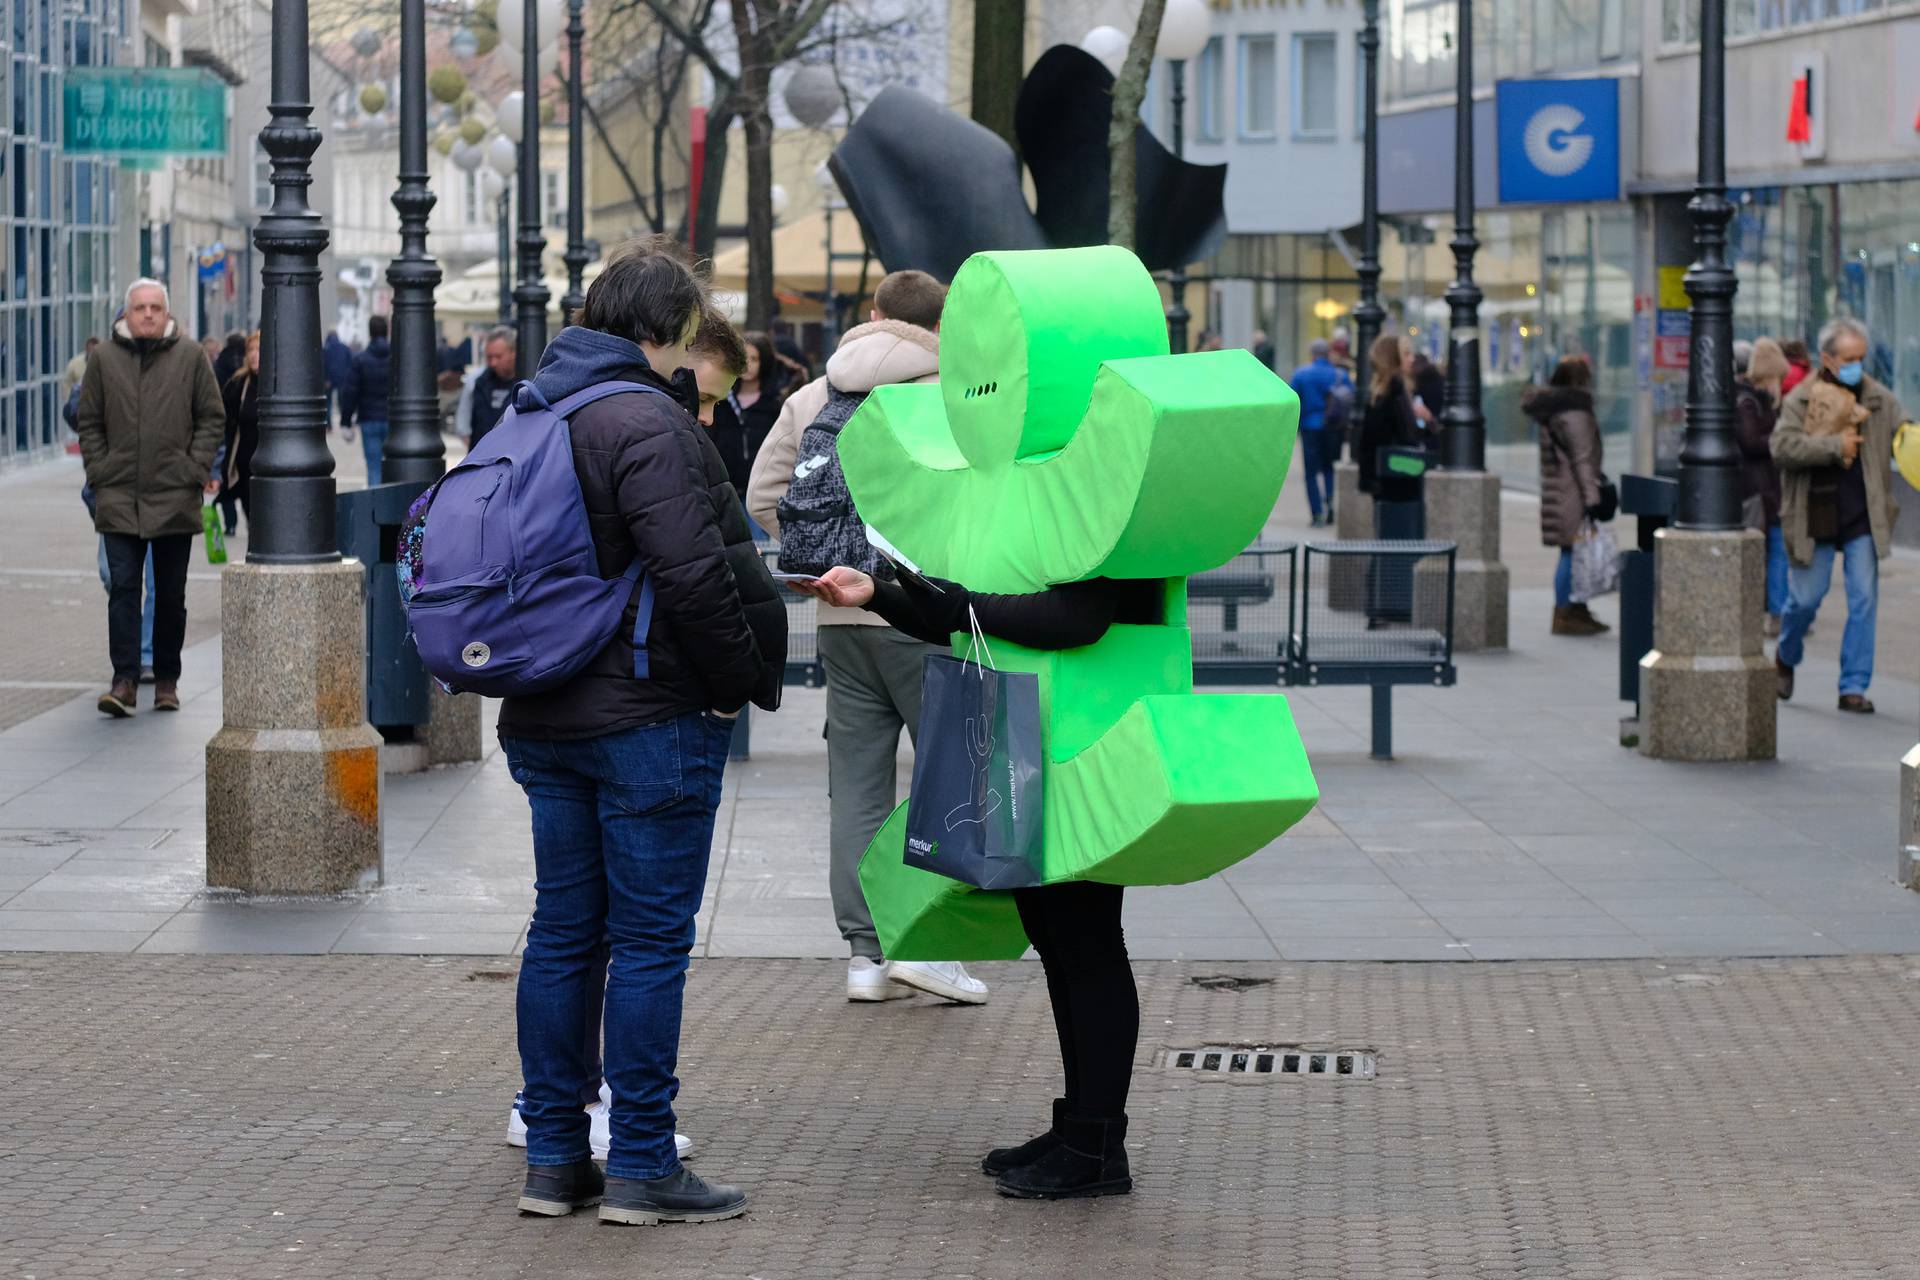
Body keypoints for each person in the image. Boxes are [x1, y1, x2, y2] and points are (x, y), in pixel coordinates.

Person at [497, 238, 784, 1226]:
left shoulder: (531, 408)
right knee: (651, 938)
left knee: (564, 929)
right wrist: (740, 681)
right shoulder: (649, 423)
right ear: (666, 332)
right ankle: (643, 1163)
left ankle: (551, 1156)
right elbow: (697, 576)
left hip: (539, 709)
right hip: (645, 718)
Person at [797, 564, 1156, 1200]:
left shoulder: (1112, 509)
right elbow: (965, 614)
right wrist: (879, 595)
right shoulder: (1047, 506)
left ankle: (1096, 1146)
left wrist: (965, 601)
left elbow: (1080, 617)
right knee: (1059, 936)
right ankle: (1081, 1126)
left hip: (1088, 741)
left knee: (1088, 940)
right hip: (1047, 740)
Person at [747, 270, 992, 1007]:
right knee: (953, 782)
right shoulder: (959, 396)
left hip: (839, 620)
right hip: (928, 616)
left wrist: (826, 563)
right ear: (941, 330)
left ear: (875, 314)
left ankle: (865, 957)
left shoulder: (813, 395)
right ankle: (933, 949)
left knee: (855, 791)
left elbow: (764, 494)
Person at [74, 278, 223, 718]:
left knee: (171, 595)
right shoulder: (103, 360)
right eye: (140, 308)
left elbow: (212, 418)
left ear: (167, 312)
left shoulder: (191, 357)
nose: (148, 315)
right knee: (122, 589)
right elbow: (89, 421)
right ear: (127, 313)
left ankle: (166, 680)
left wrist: (193, 469)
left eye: (156, 308)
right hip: (119, 495)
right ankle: (123, 681)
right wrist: (99, 470)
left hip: (174, 495)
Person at [1771, 317, 1906, 714]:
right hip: (1815, 514)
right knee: (1805, 600)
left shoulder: (1877, 398)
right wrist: (1834, 445)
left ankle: (1853, 687)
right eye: (1849, 358)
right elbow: (1781, 447)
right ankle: (1786, 654)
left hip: (1863, 515)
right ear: (1826, 358)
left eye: (1861, 358)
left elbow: (1904, 432)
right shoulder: (1801, 398)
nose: (1857, 366)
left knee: (1864, 600)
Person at [1526, 356, 1609, 637]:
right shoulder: (1575, 412)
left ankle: (1575, 608)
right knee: (1572, 552)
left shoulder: (1555, 408)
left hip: (1560, 490)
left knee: (1573, 552)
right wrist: (1592, 498)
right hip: (1571, 492)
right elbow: (1583, 459)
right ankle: (1565, 612)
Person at [1735, 338, 1791, 637]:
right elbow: (1752, 442)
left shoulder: (1756, 401)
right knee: (1771, 552)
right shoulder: (1748, 401)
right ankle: (1775, 611)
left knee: (1773, 551)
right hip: (1759, 490)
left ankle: (1775, 610)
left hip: (1766, 488)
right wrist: (1782, 439)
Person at [1355, 333, 1434, 499]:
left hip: (1395, 477)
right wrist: (1429, 423)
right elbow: (1403, 438)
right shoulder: (1392, 394)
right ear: (1393, 358)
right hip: (1397, 479)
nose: (1412, 359)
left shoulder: (1394, 392)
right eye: (1406, 354)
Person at [1288, 339, 1354, 527]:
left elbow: (1293, 400)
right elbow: (1351, 397)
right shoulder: (1340, 375)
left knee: (1310, 473)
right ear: (1328, 354)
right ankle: (1331, 503)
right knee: (1329, 468)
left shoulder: (1301, 374)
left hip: (1310, 427)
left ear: (1312, 354)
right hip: (1333, 428)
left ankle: (1317, 513)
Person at [218, 331, 262, 534]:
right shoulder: (238, 385)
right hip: (246, 469)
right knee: (254, 524)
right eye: (250, 350)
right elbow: (223, 422)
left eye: (259, 350)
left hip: (273, 470)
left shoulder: (284, 384)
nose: (253, 355)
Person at [341, 315, 393, 484]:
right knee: (393, 465)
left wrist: (346, 421)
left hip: (369, 419)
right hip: (393, 419)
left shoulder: (360, 359)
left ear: (369, 332)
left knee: (373, 467)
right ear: (387, 331)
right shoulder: (396, 359)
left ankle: (377, 506)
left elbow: (350, 392)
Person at [462, 326, 517, 449]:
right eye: (489, 357)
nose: (493, 363)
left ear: (514, 353)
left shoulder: (528, 384)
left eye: (498, 356)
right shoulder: (480, 383)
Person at [323, 329, 354, 434]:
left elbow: (323, 364)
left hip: (329, 381)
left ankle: (329, 426)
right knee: (343, 403)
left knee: (328, 404)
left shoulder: (325, 349)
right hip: (343, 379)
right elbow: (351, 364)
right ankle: (344, 424)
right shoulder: (345, 348)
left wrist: (326, 378)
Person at [61, 337, 100, 404]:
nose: (93, 353)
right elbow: (67, 383)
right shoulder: (75, 364)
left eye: (95, 351)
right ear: (86, 349)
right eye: (91, 350)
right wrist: (69, 401)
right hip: (78, 405)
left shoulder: (105, 365)